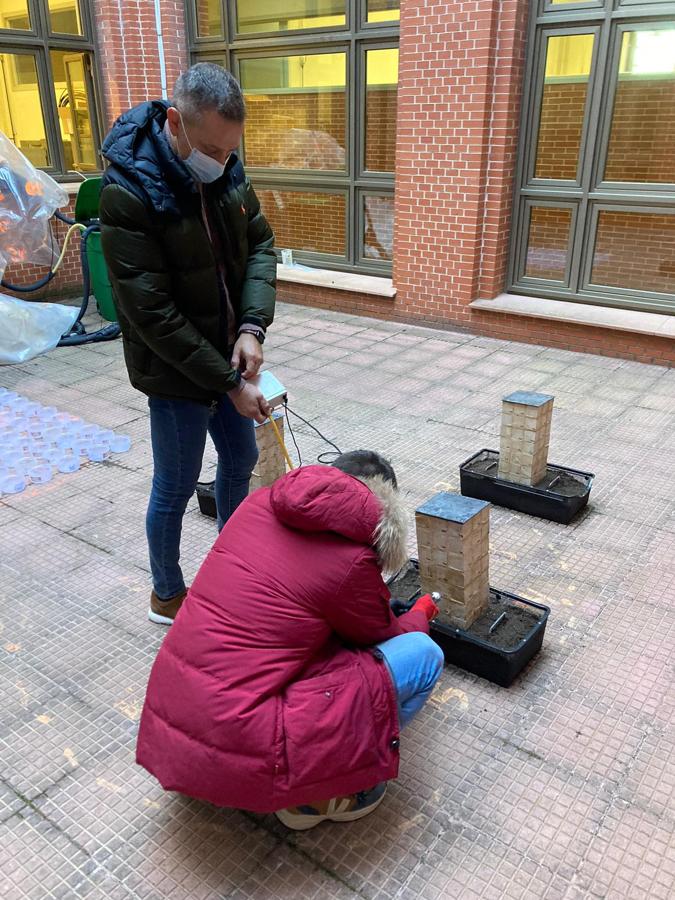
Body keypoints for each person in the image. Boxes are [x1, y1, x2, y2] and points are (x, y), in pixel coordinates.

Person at [136, 451, 444, 830]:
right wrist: (419, 615)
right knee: (424, 656)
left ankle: (293, 771)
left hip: (173, 723)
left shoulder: (256, 504)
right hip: (239, 734)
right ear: (383, 511)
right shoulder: (350, 560)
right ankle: (321, 793)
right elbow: (382, 636)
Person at [99, 63, 276, 626]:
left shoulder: (225, 169)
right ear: (175, 122)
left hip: (226, 357)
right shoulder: (128, 191)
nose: (220, 163)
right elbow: (150, 312)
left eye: (230, 151)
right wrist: (227, 382)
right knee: (175, 485)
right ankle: (167, 593)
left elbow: (261, 246)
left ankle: (234, 564)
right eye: (210, 150)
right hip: (176, 371)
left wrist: (251, 327)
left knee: (242, 457)